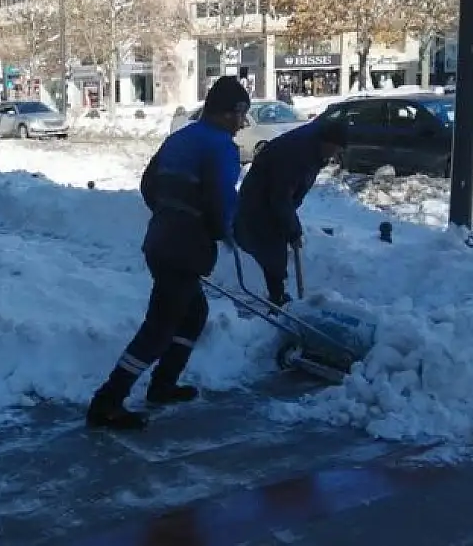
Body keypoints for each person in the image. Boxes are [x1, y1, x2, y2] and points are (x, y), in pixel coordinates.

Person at [86, 76, 249, 431]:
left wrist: (169, 212)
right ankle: (107, 401)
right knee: (159, 328)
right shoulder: (220, 146)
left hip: (161, 241)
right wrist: (224, 231)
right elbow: (223, 199)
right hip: (185, 249)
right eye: (241, 116)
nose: (242, 125)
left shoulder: (181, 138)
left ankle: (163, 385)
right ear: (229, 113)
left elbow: (148, 184)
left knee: (192, 315)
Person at [234, 119, 347, 307]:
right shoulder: (297, 154)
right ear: (327, 142)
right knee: (272, 249)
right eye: (336, 149)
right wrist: (292, 229)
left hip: (267, 201)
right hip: (259, 203)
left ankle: (278, 295)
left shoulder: (311, 150)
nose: (336, 155)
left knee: (274, 248)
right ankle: (278, 299)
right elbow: (280, 195)